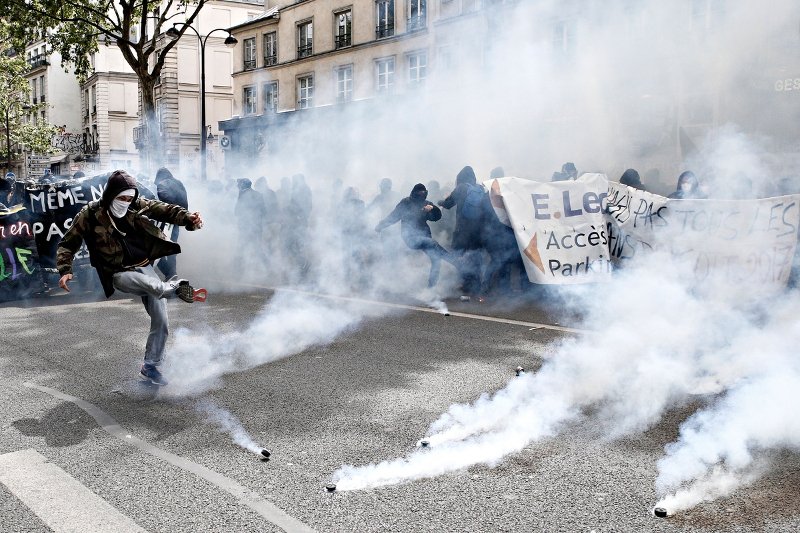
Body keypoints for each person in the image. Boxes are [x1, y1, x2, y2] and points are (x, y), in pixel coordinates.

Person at [56, 170, 204, 386]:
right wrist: (65, 269)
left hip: (145, 268)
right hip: (119, 273)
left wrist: (188, 218)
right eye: (121, 198)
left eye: (129, 198)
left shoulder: (136, 204)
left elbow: (164, 210)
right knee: (152, 286)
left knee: (161, 320)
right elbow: (68, 243)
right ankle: (174, 288)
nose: (125, 203)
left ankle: (150, 366)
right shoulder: (89, 214)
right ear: (110, 195)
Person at [376, 183, 456, 289]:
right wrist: (380, 226)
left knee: (436, 259)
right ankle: (454, 261)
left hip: (425, 236)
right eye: (419, 192)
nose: (422, 194)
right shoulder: (406, 202)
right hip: (410, 237)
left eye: (424, 192)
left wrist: (433, 209)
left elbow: (437, 217)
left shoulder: (427, 203)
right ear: (414, 192)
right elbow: (394, 217)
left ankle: (431, 287)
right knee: (433, 243)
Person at [439, 165, 485, 299]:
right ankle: (477, 285)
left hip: (462, 230)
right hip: (479, 231)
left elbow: (447, 205)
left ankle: (466, 284)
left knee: (459, 256)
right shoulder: (480, 188)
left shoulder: (461, 188)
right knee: (476, 257)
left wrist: (442, 200)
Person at [153, 167, 188, 280]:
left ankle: (170, 273)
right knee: (172, 248)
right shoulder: (179, 183)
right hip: (178, 219)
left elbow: (165, 199)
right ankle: (172, 273)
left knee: (155, 248)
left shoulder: (162, 184)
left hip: (167, 221)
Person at [234, 178, 269, 276]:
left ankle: (237, 270)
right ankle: (268, 267)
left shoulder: (243, 195)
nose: (237, 186)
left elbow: (237, 211)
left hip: (246, 227)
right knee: (257, 248)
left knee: (242, 248)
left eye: (239, 184)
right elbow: (264, 212)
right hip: (256, 227)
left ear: (243, 185)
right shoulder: (258, 195)